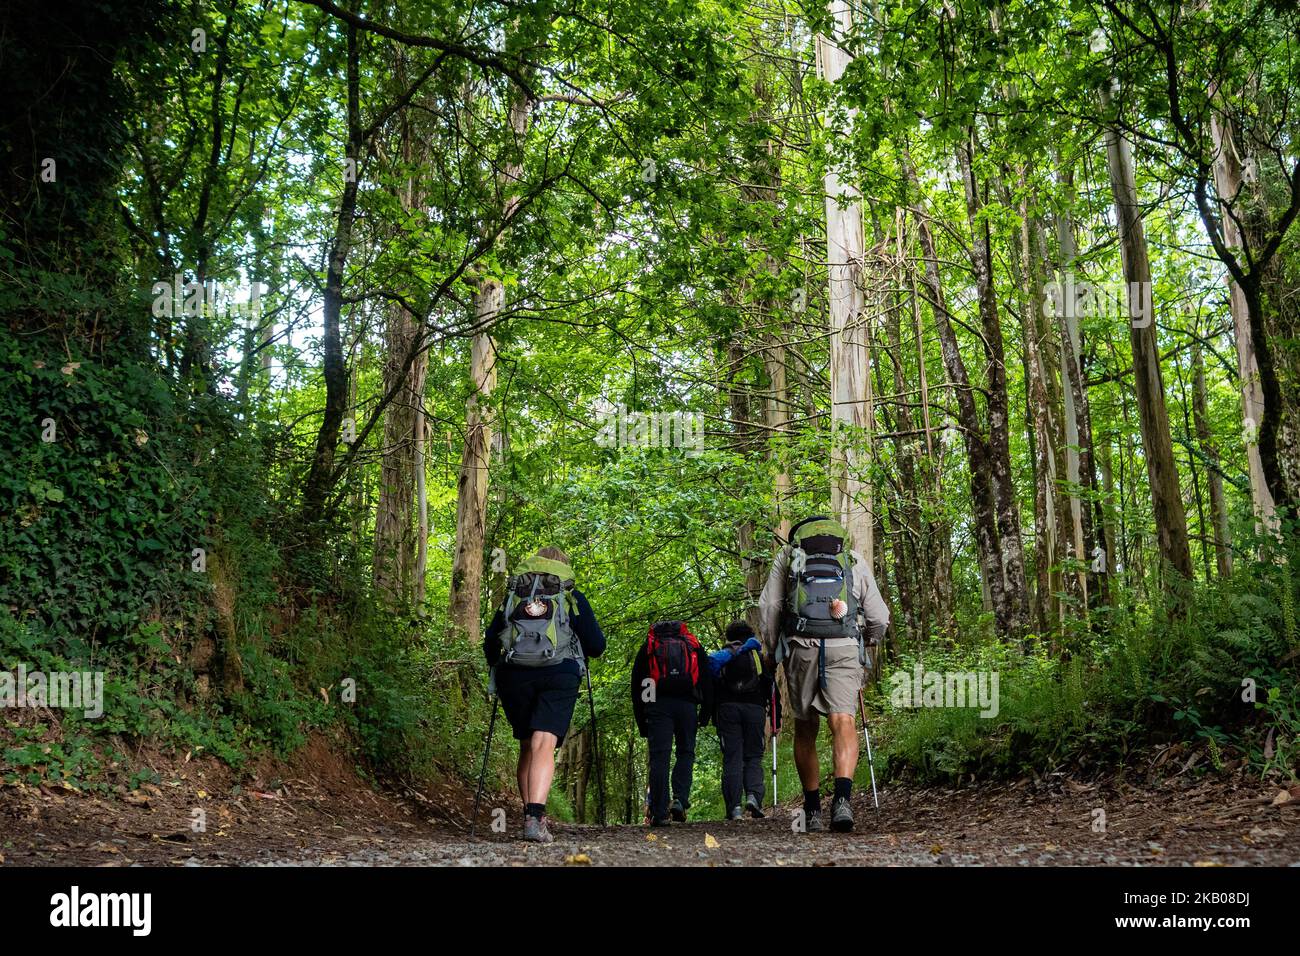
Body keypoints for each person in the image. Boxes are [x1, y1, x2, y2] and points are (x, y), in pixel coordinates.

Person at [758, 515, 889, 833]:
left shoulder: (787, 557)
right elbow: (879, 616)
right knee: (842, 720)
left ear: (797, 536)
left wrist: (772, 652)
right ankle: (842, 802)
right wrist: (867, 640)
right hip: (844, 644)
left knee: (805, 728)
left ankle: (813, 809)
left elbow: (770, 608)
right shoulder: (852, 559)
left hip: (801, 646)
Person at [484, 547, 605, 843]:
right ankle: (535, 819)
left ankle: (530, 813)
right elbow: (597, 645)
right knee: (543, 742)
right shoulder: (571, 595)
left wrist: (497, 665)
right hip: (558, 673)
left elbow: (490, 640)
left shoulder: (514, 594)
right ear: (562, 567)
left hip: (514, 674)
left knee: (527, 745)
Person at [630, 620, 713, 826]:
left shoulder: (649, 647)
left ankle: (659, 813)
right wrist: (705, 713)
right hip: (687, 706)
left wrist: (642, 721)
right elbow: (706, 679)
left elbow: (637, 685)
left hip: (657, 706)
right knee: (686, 752)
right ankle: (680, 799)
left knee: (660, 758)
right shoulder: (692, 644)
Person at [709, 620, 780, 820]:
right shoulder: (756, 657)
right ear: (749, 635)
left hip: (727, 709)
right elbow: (771, 687)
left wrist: (708, 715)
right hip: (755, 709)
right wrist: (776, 716)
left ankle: (734, 808)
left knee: (732, 758)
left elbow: (712, 685)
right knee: (753, 757)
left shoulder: (723, 656)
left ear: (729, 637)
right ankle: (753, 797)